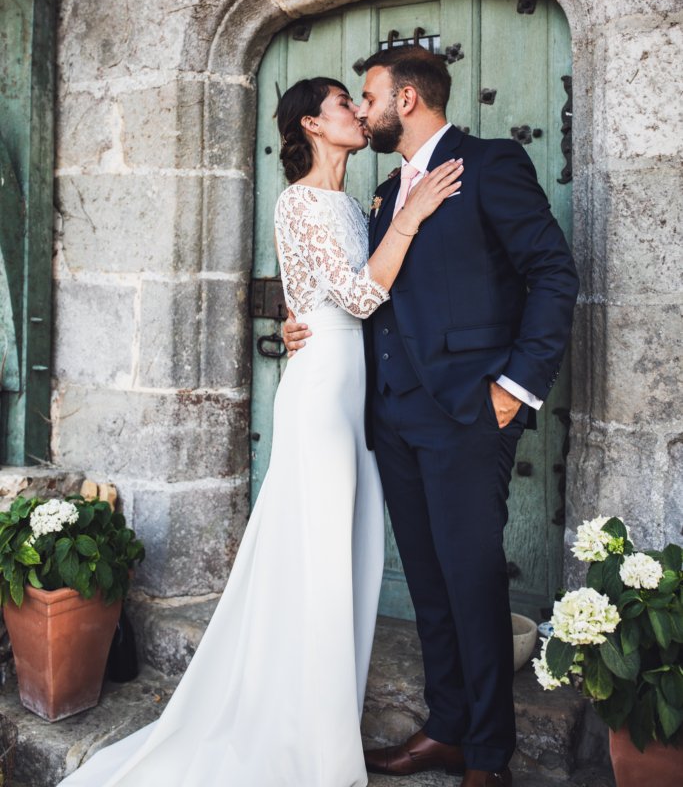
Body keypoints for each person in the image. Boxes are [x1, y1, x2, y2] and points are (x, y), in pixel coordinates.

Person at [56, 76, 462, 787]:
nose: (357, 115)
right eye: (343, 105)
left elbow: (325, 289)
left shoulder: (350, 202)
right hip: (322, 392)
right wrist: (412, 218)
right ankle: (306, 735)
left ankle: (318, 710)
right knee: (315, 554)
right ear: (311, 124)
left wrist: (296, 310)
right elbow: (362, 295)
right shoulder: (299, 200)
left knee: (346, 552)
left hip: (353, 386)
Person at [283, 47, 580, 787]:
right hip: (393, 419)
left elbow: (552, 272)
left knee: (472, 583)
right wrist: (302, 323)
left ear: (405, 98)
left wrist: (515, 384)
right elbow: (360, 292)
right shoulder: (382, 194)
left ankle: (487, 756)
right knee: (428, 584)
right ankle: (445, 729)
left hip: (467, 413)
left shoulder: (488, 164)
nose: (362, 107)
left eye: (368, 96)